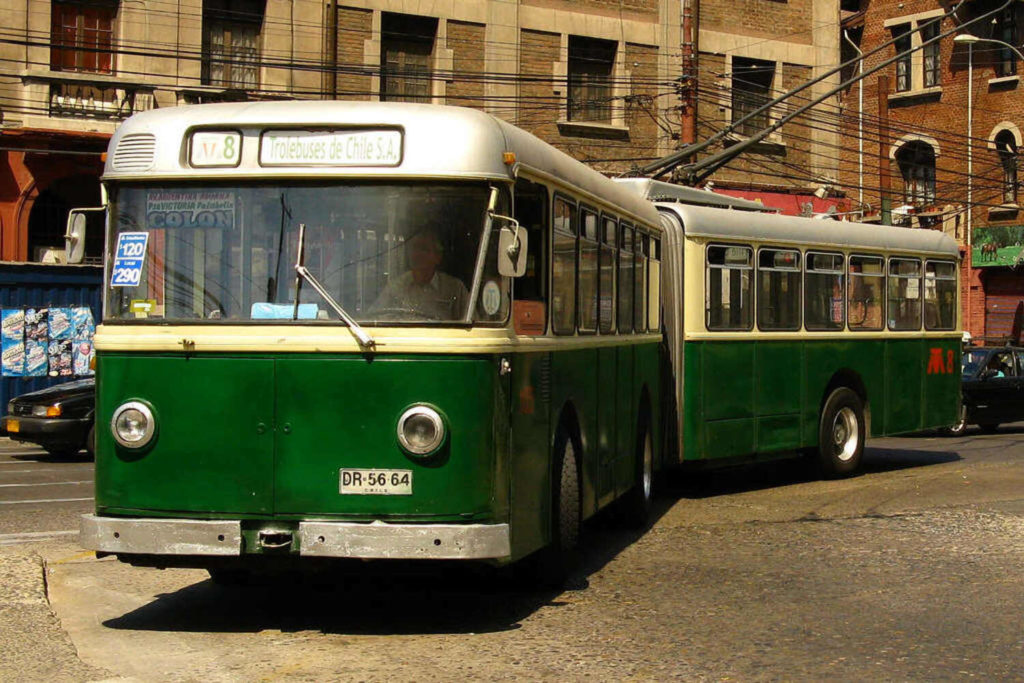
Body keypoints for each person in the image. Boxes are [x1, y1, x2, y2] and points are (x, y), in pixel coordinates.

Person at [373, 229, 468, 320]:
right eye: (414, 248)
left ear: (437, 257)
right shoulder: (396, 287)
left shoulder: (455, 288)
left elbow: (472, 327)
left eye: (424, 249)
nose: (417, 254)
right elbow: (375, 318)